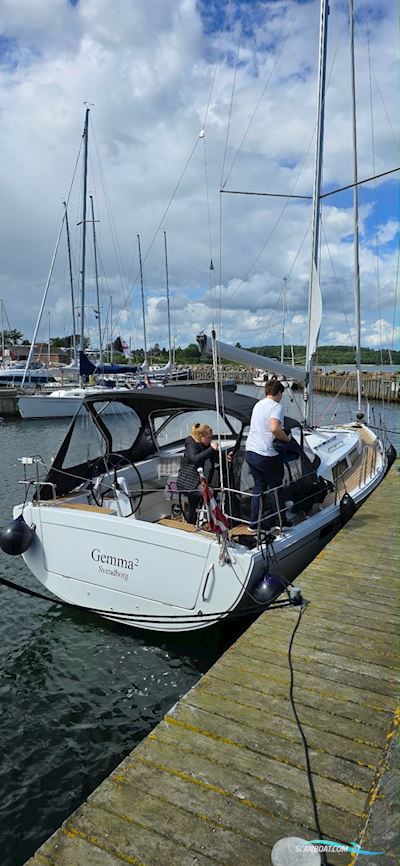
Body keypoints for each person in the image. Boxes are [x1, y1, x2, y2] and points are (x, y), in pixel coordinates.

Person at [245, 380, 292, 529]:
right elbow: (274, 428)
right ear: (278, 393)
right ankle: (281, 522)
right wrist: (287, 438)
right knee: (276, 489)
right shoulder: (276, 406)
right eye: (281, 394)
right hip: (266, 455)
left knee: (258, 488)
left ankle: (254, 523)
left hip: (251, 451)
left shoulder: (258, 405)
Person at [176, 423, 219, 524]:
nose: (210, 440)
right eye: (209, 437)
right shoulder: (191, 446)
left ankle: (191, 522)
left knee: (193, 504)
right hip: (188, 483)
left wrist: (225, 457)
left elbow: (211, 455)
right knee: (210, 492)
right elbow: (196, 458)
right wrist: (212, 449)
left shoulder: (203, 444)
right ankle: (211, 520)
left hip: (196, 482)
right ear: (201, 437)